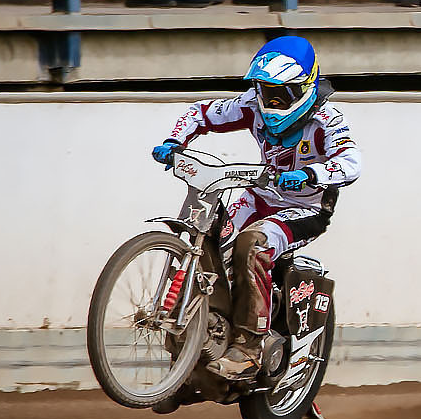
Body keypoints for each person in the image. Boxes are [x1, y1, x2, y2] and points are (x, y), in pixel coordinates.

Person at [152, 34, 361, 398]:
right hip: (259, 194)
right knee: (210, 240)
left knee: (252, 244)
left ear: (306, 88)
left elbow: (352, 161)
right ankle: (190, 357)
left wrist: (313, 174)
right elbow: (201, 112)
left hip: (306, 207)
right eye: (265, 91)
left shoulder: (328, 118)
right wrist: (175, 141)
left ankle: (249, 346)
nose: (270, 101)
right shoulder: (252, 104)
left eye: (281, 93)